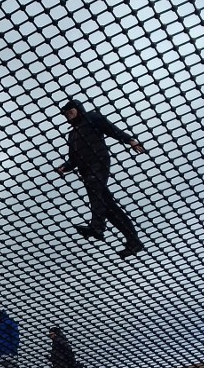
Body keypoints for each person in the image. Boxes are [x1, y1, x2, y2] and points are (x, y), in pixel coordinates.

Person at [54, 99, 145, 258]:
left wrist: (130, 141)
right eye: (66, 114)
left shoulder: (92, 118)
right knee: (109, 208)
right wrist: (64, 167)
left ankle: (97, 227)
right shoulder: (73, 134)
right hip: (86, 170)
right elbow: (73, 159)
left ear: (78, 109)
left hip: (99, 162)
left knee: (95, 187)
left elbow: (111, 129)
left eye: (70, 112)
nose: (68, 116)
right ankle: (133, 241)